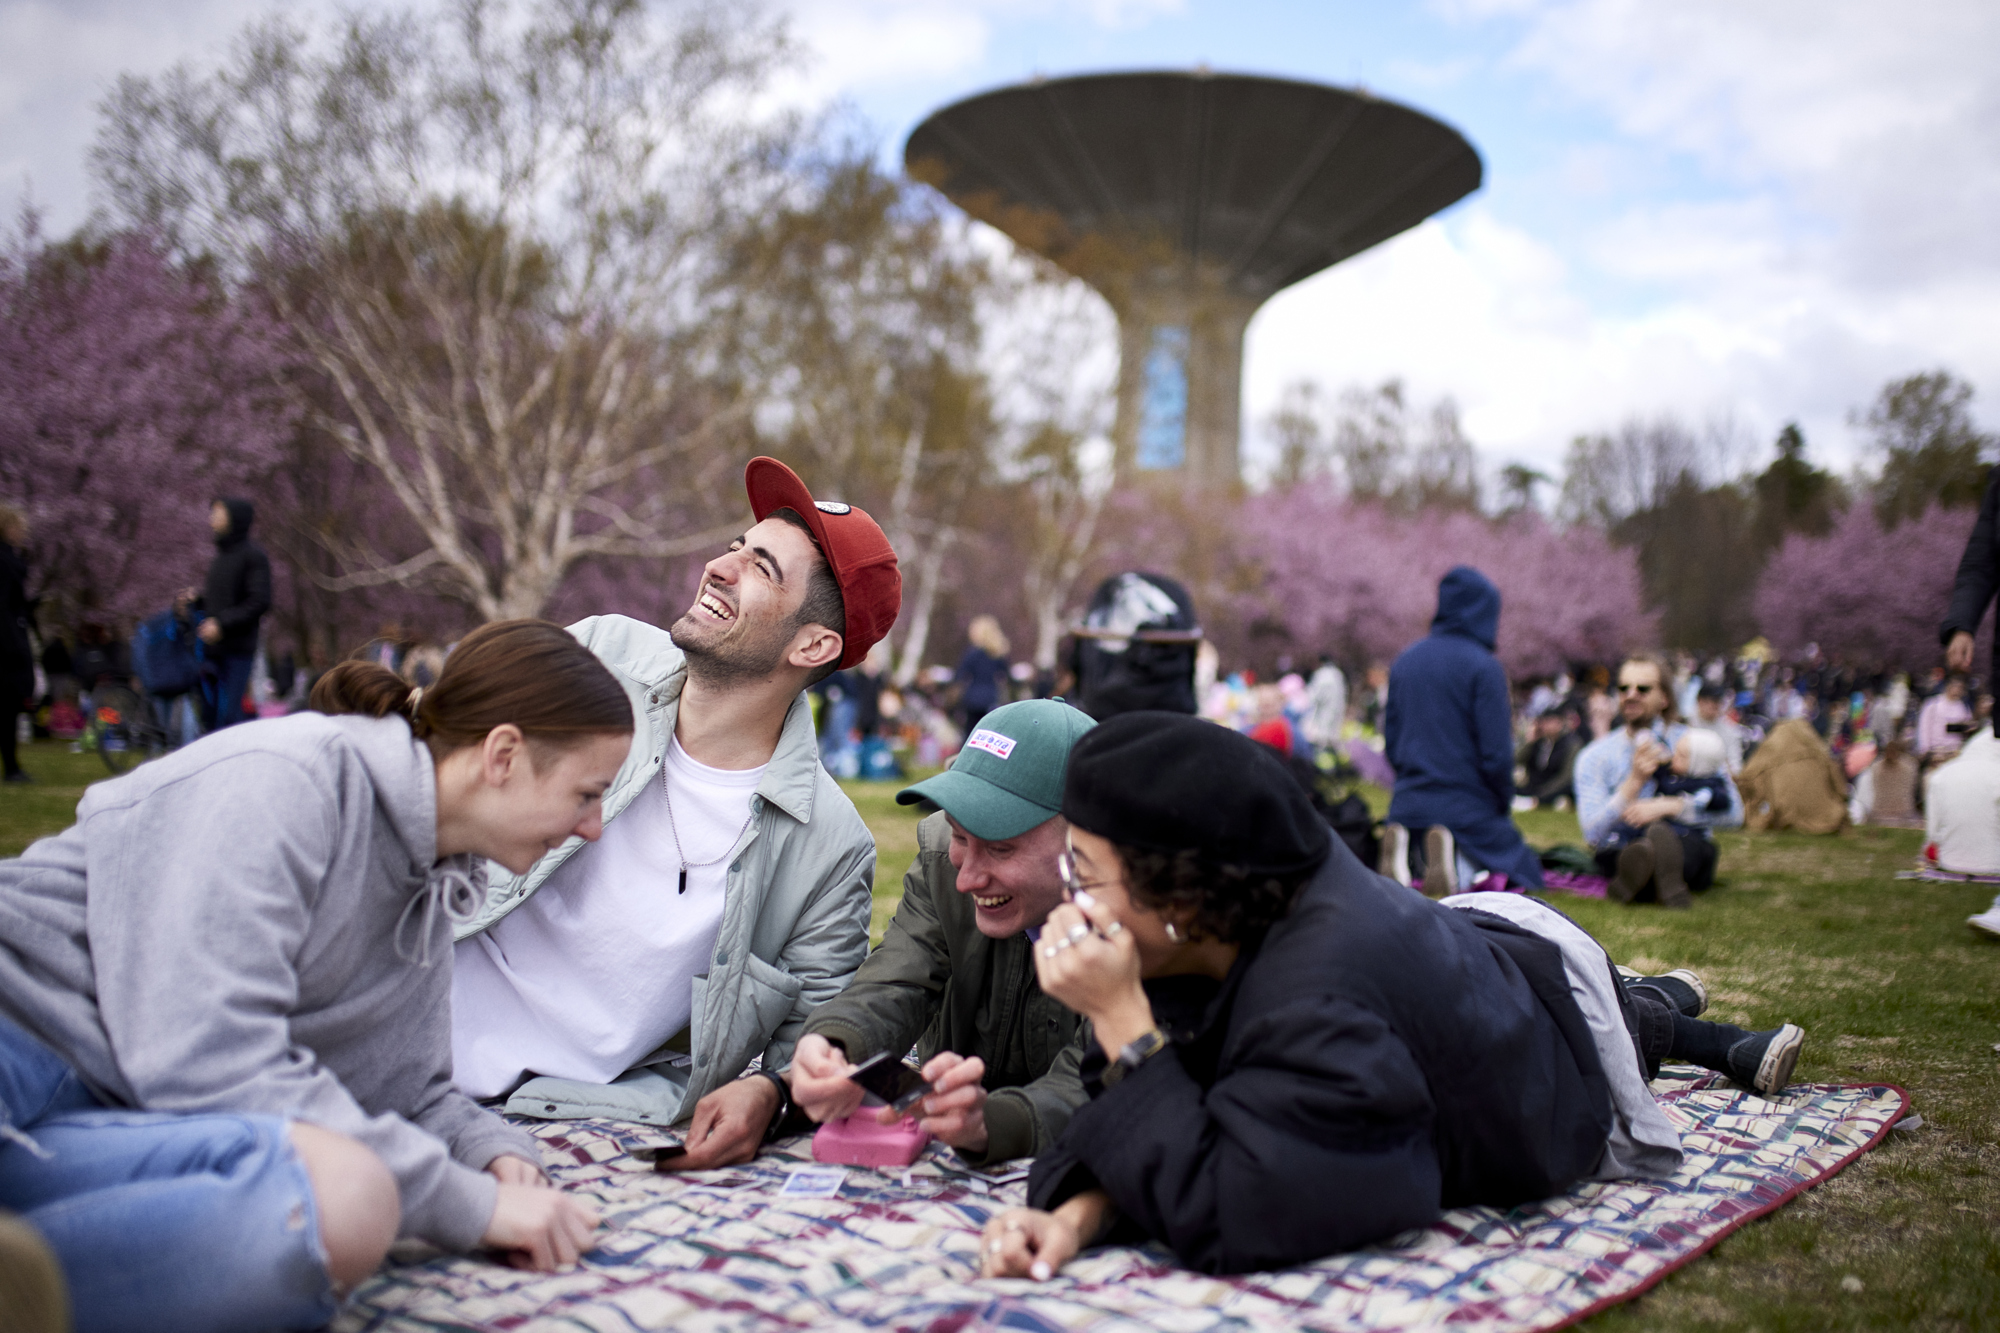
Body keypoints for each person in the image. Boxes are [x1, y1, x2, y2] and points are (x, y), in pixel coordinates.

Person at [976, 715, 1805, 1279]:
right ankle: (1662, 995)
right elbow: (1169, 1108)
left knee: (1627, 1022)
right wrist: (1077, 1217)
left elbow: (1248, 1204)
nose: (1072, 898)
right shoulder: (1218, 918)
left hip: (1547, 1022)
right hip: (1461, 950)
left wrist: (1122, 1020)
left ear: (1181, 896)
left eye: (1083, 872)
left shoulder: (1321, 995)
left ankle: (1668, 1009)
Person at [0, 619, 629, 1332]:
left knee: (347, 1200)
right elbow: (203, 1055)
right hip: (23, 1033)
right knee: (358, 1192)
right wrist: (469, 1205)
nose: (594, 827)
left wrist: (493, 1156)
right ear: (505, 755)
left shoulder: (430, 889)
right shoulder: (293, 777)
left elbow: (407, 1090)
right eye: (587, 793)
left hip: (105, 1113)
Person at [450, 457, 899, 1168]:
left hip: (566, 1108)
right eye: (734, 546)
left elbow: (815, 1041)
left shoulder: (830, 845)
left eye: (761, 567)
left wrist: (767, 1091)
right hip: (403, 1014)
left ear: (812, 645)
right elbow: (438, 768)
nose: (720, 567)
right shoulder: (601, 654)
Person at [786, 698, 1098, 1164]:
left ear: (1085, 840)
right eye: (958, 835)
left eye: (1000, 848)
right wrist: (833, 1043)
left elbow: (1103, 1076)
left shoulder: (1143, 917)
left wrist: (992, 1123)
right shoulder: (939, 863)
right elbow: (897, 979)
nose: (966, 878)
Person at [1381, 566, 1543, 895]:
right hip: (1465, 804)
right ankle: (1456, 864)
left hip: (1408, 802)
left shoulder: (1404, 660)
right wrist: (1502, 799)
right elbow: (1496, 752)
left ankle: (1411, 859)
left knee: (1424, 831)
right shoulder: (1484, 667)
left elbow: (1393, 743)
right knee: (1521, 865)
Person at [1573, 653, 1743, 908]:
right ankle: (1654, 876)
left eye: (1642, 688)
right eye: (1623, 688)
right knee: (1621, 854)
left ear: (1664, 697)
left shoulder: (1694, 743)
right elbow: (1593, 833)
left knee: (1691, 849)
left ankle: (1642, 880)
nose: (1631, 694)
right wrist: (1633, 783)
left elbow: (1735, 813)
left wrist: (1673, 807)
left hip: (1686, 844)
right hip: (1624, 845)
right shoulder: (1594, 756)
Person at [190, 497, 273, 730]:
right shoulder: (219, 559)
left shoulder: (254, 557)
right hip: (211, 651)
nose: (211, 519)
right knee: (209, 716)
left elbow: (259, 601)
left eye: (218, 513)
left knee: (228, 717)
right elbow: (221, 603)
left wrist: (221, 625)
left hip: (237, 651)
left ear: (235, 518)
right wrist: (198, 602)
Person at [1737, 719, 1849, 835]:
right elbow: (1841, 789)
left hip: (1785, 815)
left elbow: (1746, 780)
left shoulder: (1769, 751)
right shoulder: (1817, 751)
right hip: (1826, 815)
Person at [0, 505, 33, 784]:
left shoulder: (11, 561)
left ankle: (12, 765)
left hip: (9, 639)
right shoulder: (5, 562)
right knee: (8, 707)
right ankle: (11, 767)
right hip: (7, 645)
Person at [955, 615, 1011, 734]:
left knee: (970, 733)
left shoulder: (972, 653)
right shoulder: (997, 653)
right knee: (988, 731)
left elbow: (960, 674)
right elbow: (1006, 675)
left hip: (973, 698)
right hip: (991, 698)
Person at [1516, 708, 1583, 808]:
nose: (1547, 726)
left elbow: (1566, 777)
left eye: (1551, 722)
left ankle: (1540, 801)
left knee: (1565, 789)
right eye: (1545, 722)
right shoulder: (1538, 743)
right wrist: (1529, 742)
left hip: (1555, 788)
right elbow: (1516, 760)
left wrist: (1543, 793)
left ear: (1560, 723)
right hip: (1534, 786)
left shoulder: (1571, 745)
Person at [1688, 683, 1747, 774]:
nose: (1716, 705)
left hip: (1716, 777)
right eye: (1712, 701)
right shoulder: (1686, 722)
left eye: (1719, 701)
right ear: (1700, 701)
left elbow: (1735, 764)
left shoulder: (1729, 730)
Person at [1915, 676, 1972, 762]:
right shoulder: (1933, 703)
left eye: (1960, 688)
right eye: (1955, 687)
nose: (1957, 690)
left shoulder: (1962, 707)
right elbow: (1924, 726)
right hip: (1936, 750)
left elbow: (1966, 725)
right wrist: (1925, 748)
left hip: (1954, 750)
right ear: (1948, 687)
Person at [1302, 653, 1347, 751]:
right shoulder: (1338, 674)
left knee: (1321, 739)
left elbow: (1315, 696)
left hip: (1323, 712)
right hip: (1337, 709)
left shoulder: (1321, 674)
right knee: (1333, 734)